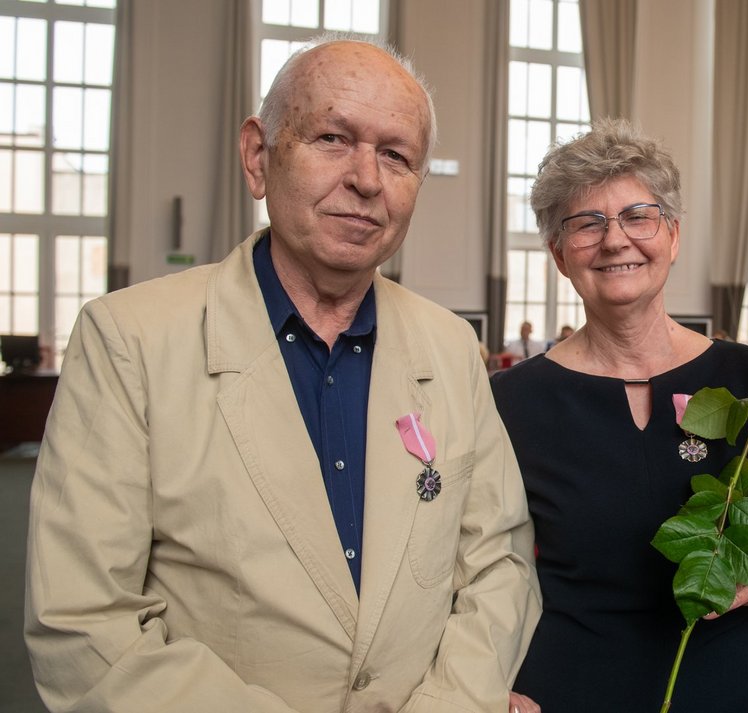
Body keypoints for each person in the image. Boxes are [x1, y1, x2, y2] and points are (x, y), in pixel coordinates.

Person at [24, 38, 541, 713]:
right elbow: (85, 622)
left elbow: (498, 563)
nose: (366, 178)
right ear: (257, 155)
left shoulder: (449, 347)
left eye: (396, 155)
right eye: (332, 137)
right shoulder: (131, 341)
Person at [491, 119, 748, 713]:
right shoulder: (512, 399)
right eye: (586, 224)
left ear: (672, 236)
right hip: (569, 691)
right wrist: (492, 683)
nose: (615, 239)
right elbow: (486, 569)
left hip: (731, 691)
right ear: (559, 255)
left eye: (637, 216)